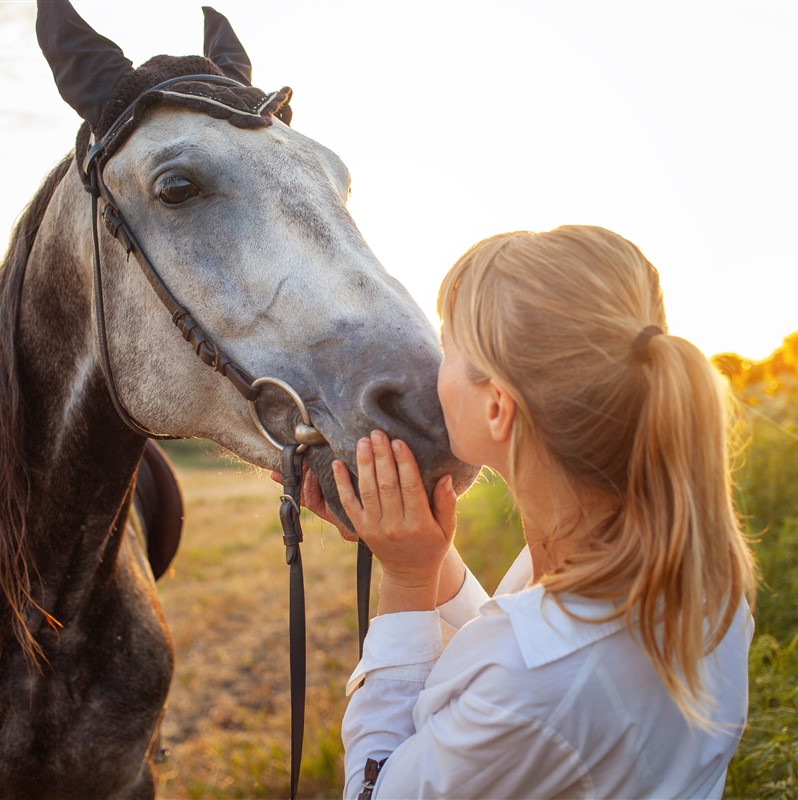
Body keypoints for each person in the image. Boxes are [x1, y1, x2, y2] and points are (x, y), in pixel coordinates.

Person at [298, 225, 758, 799]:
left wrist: (407, 582)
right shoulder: (685, 570)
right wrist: (426, 555)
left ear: (497, 407)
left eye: (447, 349)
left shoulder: (534, 679)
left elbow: (378, 791)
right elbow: (513, 659)